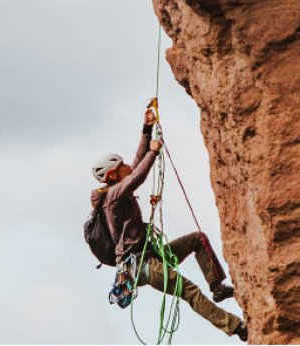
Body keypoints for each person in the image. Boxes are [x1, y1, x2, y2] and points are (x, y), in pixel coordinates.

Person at [89, 106, 248, 341]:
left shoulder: (116, 190)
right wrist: (153, 152)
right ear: (112, 175)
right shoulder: (113, 197)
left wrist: (147, 130)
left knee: (198, 239)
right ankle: (236, 327)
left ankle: (217, 287)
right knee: (189, 291)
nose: (127, 166)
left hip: (149, 255)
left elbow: (136, 164)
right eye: (121, 166)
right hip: (142, 265)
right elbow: (138, 175)